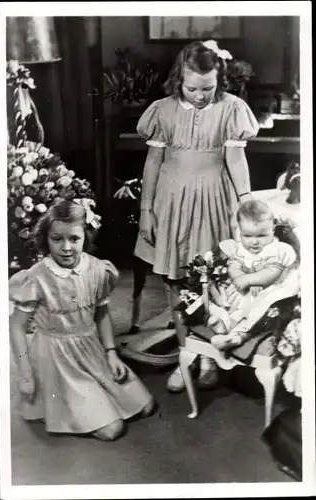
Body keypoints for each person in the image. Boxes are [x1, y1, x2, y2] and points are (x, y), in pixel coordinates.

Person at [134, 40, 259, 392]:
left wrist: (245, 202)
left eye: (208, 88)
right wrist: (146, 210)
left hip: (215, 201)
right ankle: (186, 350)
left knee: (213, 281)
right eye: (192, 88)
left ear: (219, 80)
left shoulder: (232, 109)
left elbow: (235, 160)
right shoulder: (162, 111)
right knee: (175, 281)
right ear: (179, 80)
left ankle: (208, 354)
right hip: (171, 203)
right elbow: (153, 163)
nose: (201, 96)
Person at [9, 199, 155, 441]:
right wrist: (25, 374)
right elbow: (16, 328)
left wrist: (110, 353)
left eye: (74, 239)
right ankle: (63, 406)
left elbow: (102, 313)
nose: (66, 247)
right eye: (57, 239)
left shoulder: (98, 269)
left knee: (146, 407)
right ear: (46, 238)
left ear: (85, 237)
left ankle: (95, 401)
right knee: (113, 430)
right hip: (55, 358)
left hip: (90, 349)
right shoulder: (35, 278)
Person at [208, 200, 299, 350]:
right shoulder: (239, 248)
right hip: (246, 290)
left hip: (273, 287)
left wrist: (252, 280)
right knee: (231, 298)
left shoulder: (278, 249)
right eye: (247, 236)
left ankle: (239, 337)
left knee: (268, 307)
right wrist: (238, 277)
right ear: (240, 231)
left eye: (262, 235)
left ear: (273, 229)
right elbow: (234, 265)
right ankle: (225, 324)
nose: (254, 242)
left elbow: (274, 272)